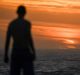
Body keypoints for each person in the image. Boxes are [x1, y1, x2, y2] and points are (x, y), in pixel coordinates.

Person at [4, 5, 36, 75]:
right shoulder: (27, 24)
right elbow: (29, 39)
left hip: (15, 52)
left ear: (17, 12)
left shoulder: (12, 24)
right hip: (25, 52)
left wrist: (6, 54)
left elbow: (8, 40)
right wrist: (33, 52)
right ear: (25, 13)